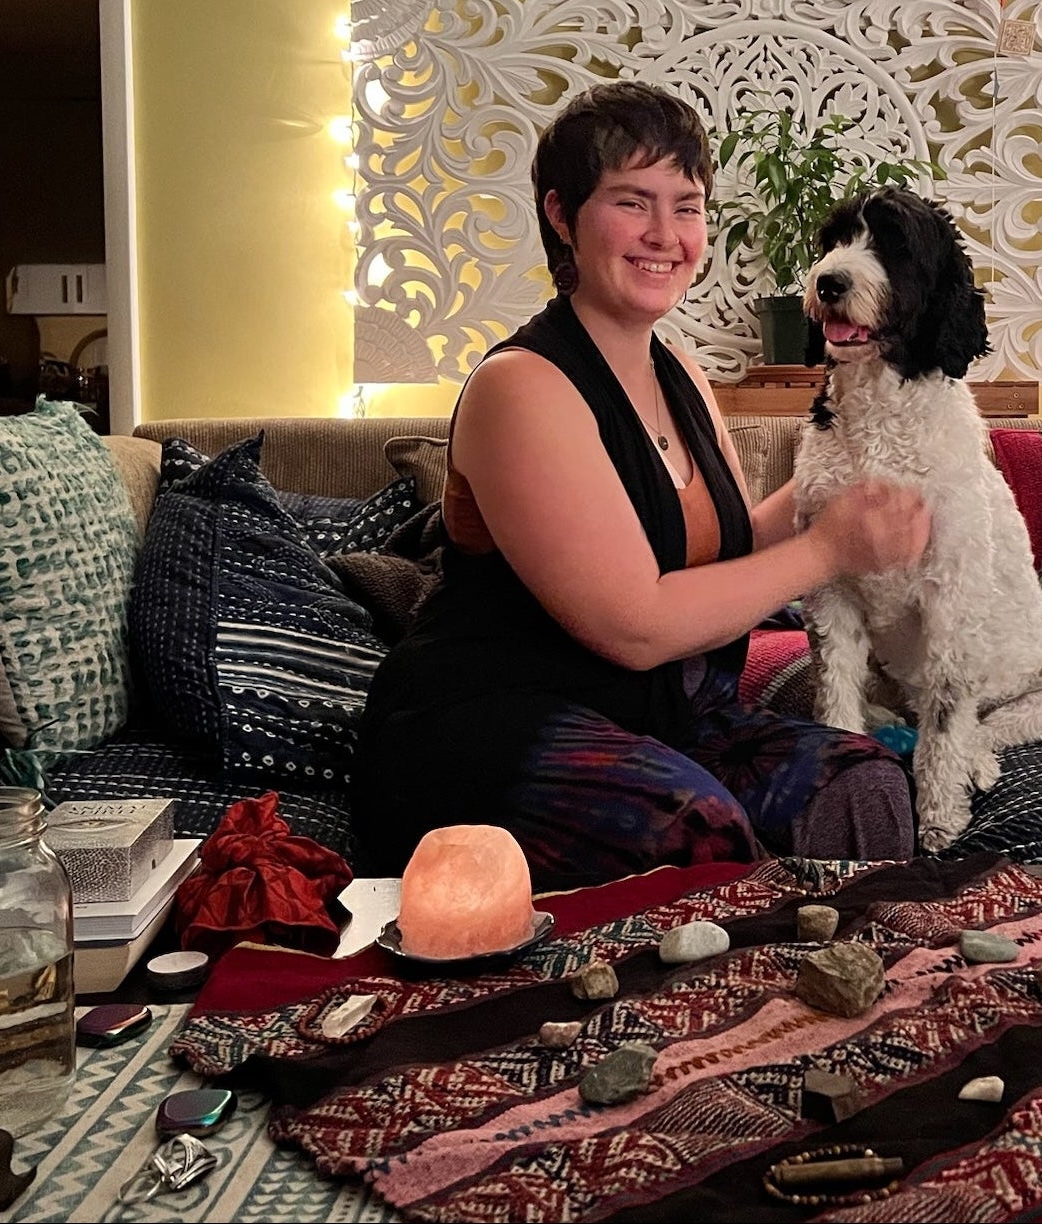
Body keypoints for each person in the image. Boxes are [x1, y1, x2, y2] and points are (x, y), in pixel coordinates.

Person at [354, 81, 931, 890]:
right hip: (496, 726)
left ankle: (832, 991)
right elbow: (634, 625)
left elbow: (724, 547)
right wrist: (831, 547)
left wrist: (856, 482)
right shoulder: (520, 385)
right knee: (696, 830)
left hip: (666, 718)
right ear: (561, 216)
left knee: (861, 784)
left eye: (686, 206)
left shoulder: (680, 371)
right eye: (633, 202)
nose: (666, 235)